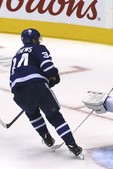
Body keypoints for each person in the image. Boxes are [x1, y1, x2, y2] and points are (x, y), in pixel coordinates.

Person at [9, 28, 82, 157]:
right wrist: (53, 76)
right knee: (54, 116)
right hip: (37, 86)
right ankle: (72, 145)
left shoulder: (17, 54)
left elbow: (13, 79)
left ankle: (46, 137)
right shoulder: (38, 48)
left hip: (18, 91)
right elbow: (47, 67)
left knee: (32, 113)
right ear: (33, 40)